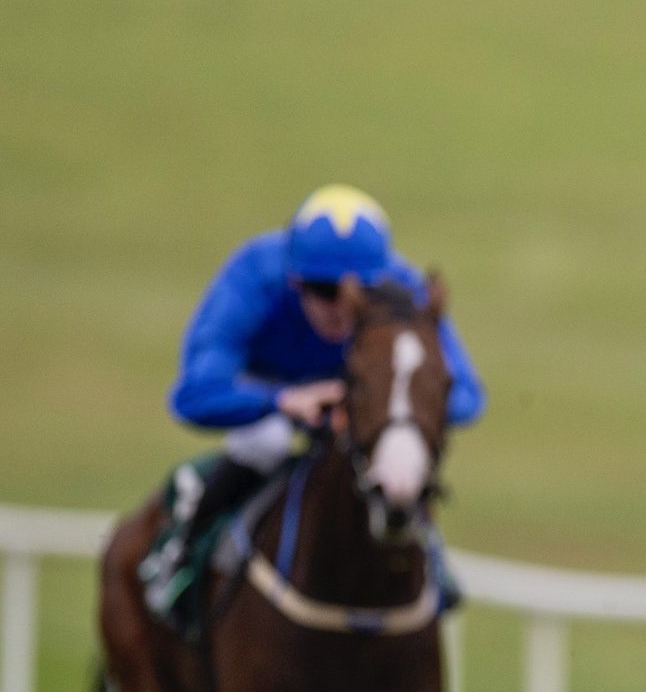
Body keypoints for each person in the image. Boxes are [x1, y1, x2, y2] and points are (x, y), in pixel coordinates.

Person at [145, 185, 484, 611]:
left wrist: (380, 409)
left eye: (360, 293)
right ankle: (181, 555)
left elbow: (468, 396)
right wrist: (282, 401)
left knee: (396, 457)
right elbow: (192, 395)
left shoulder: (404, 289)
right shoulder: (253, 275)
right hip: (268, 390)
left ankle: (429, 561)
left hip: (358, 399)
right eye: (324, 290)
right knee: (264, 443)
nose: (342, 308)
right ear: (294, 280)